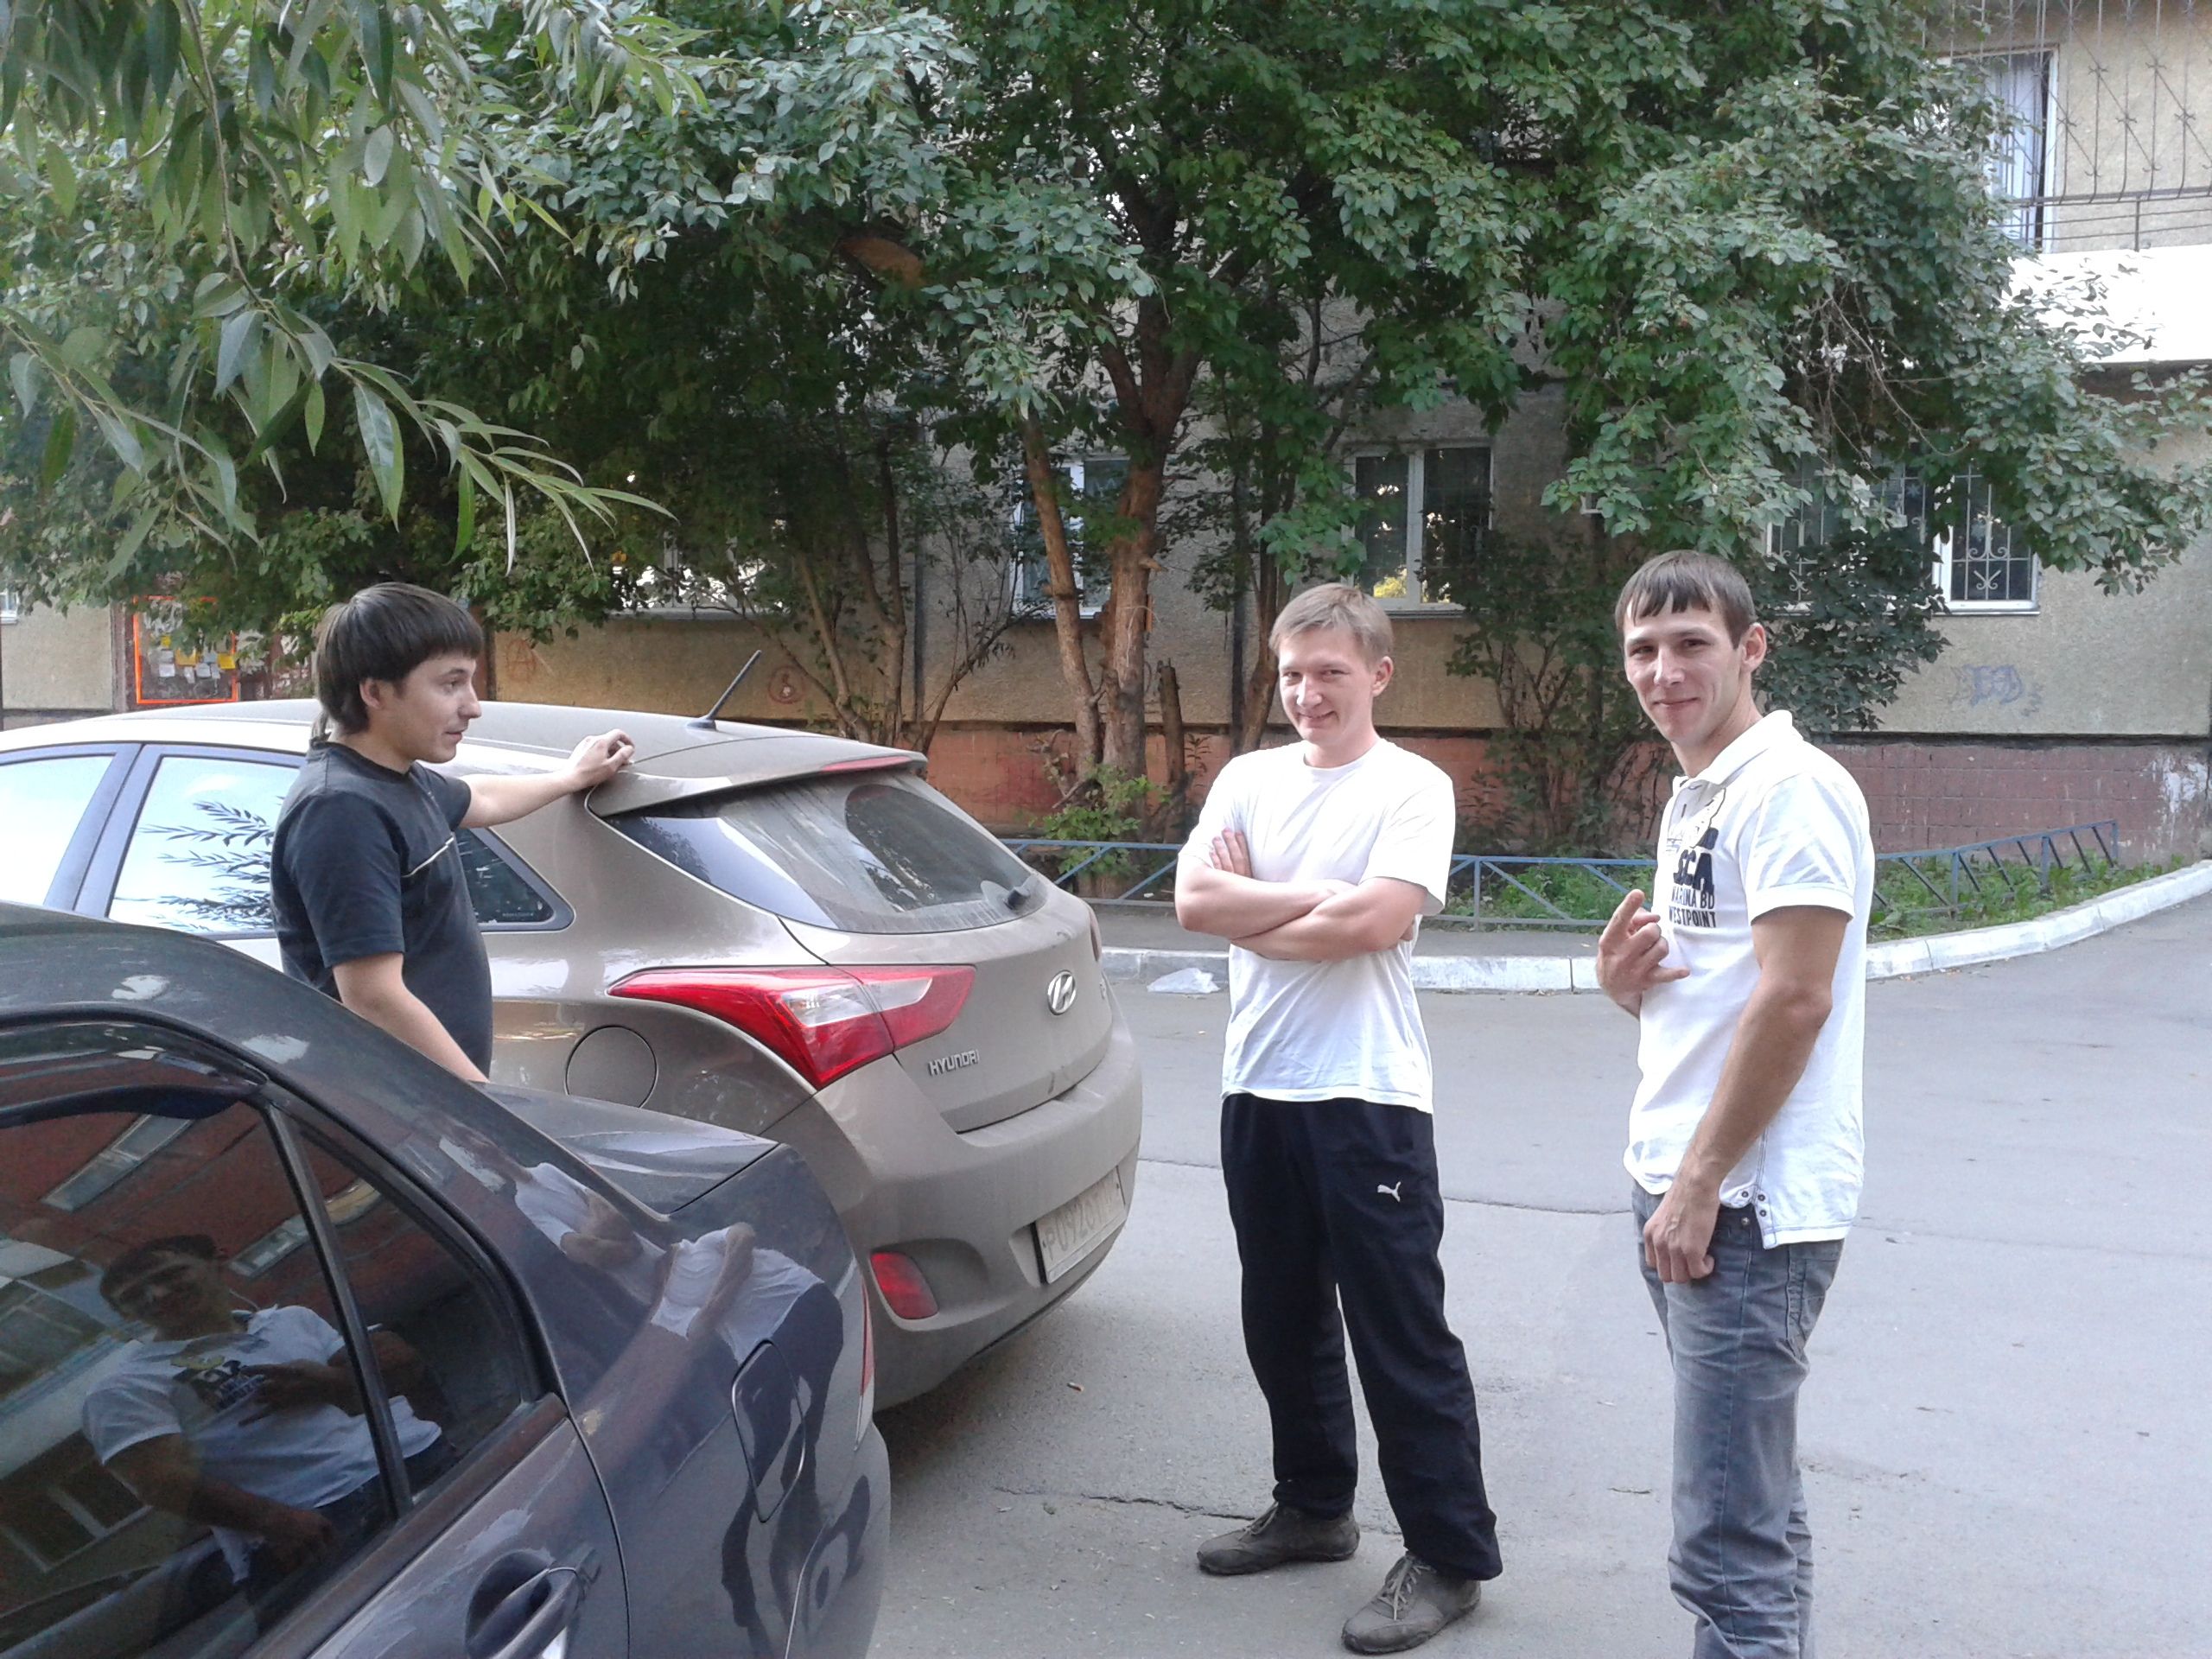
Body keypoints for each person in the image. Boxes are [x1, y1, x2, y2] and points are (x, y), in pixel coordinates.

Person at [1174, 583, 1502, 1656]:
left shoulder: (1412, 787)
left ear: (1378, 675)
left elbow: (1377, 920)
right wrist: (1323, 904)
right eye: (1292, 674)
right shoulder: (1247, 778)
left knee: (1398, 1331)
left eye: (1330, 672)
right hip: (1259, 1085)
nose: (1308, 693)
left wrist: (1261, 910)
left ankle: (1448, 1556)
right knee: (1280, 1318)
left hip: (1368, 1096)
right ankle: (1313, 1508)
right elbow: (1192, 904)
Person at [1594, 550, 1874, 1659]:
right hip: (1689, 1186)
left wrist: (1701, 1182)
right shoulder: (1703, 790)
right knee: (1755, 1507)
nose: (1663, 671)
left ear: (1750, 648)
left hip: (1740, 1208)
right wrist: (1625, 988)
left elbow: (1797, 997)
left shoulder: (1787, 788)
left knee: (1723, 1545)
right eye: (1642, 650)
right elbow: (1721, 991)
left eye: (1690, 644)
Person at [271, 583, 632, 1082]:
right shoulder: (340, 810)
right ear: (375, 692)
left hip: (427, 1099)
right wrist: (480, 1100)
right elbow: (373, 996)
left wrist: (570, 777)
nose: (473, 706)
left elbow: (479, 798)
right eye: (451, 684)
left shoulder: (396, 778)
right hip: (390, 1103)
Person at [83, 1236, 452, 1619]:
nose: (157, 1295)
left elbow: (404, 1366)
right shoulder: (127, 1385)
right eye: (133, 1296)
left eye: (171, 1275)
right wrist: (271, 1520)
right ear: (124, 1314)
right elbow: (159, 1481)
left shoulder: (290, 1319)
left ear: (218, 1260)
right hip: (311, 1525)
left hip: (415, 1460)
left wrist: (331, 1383)